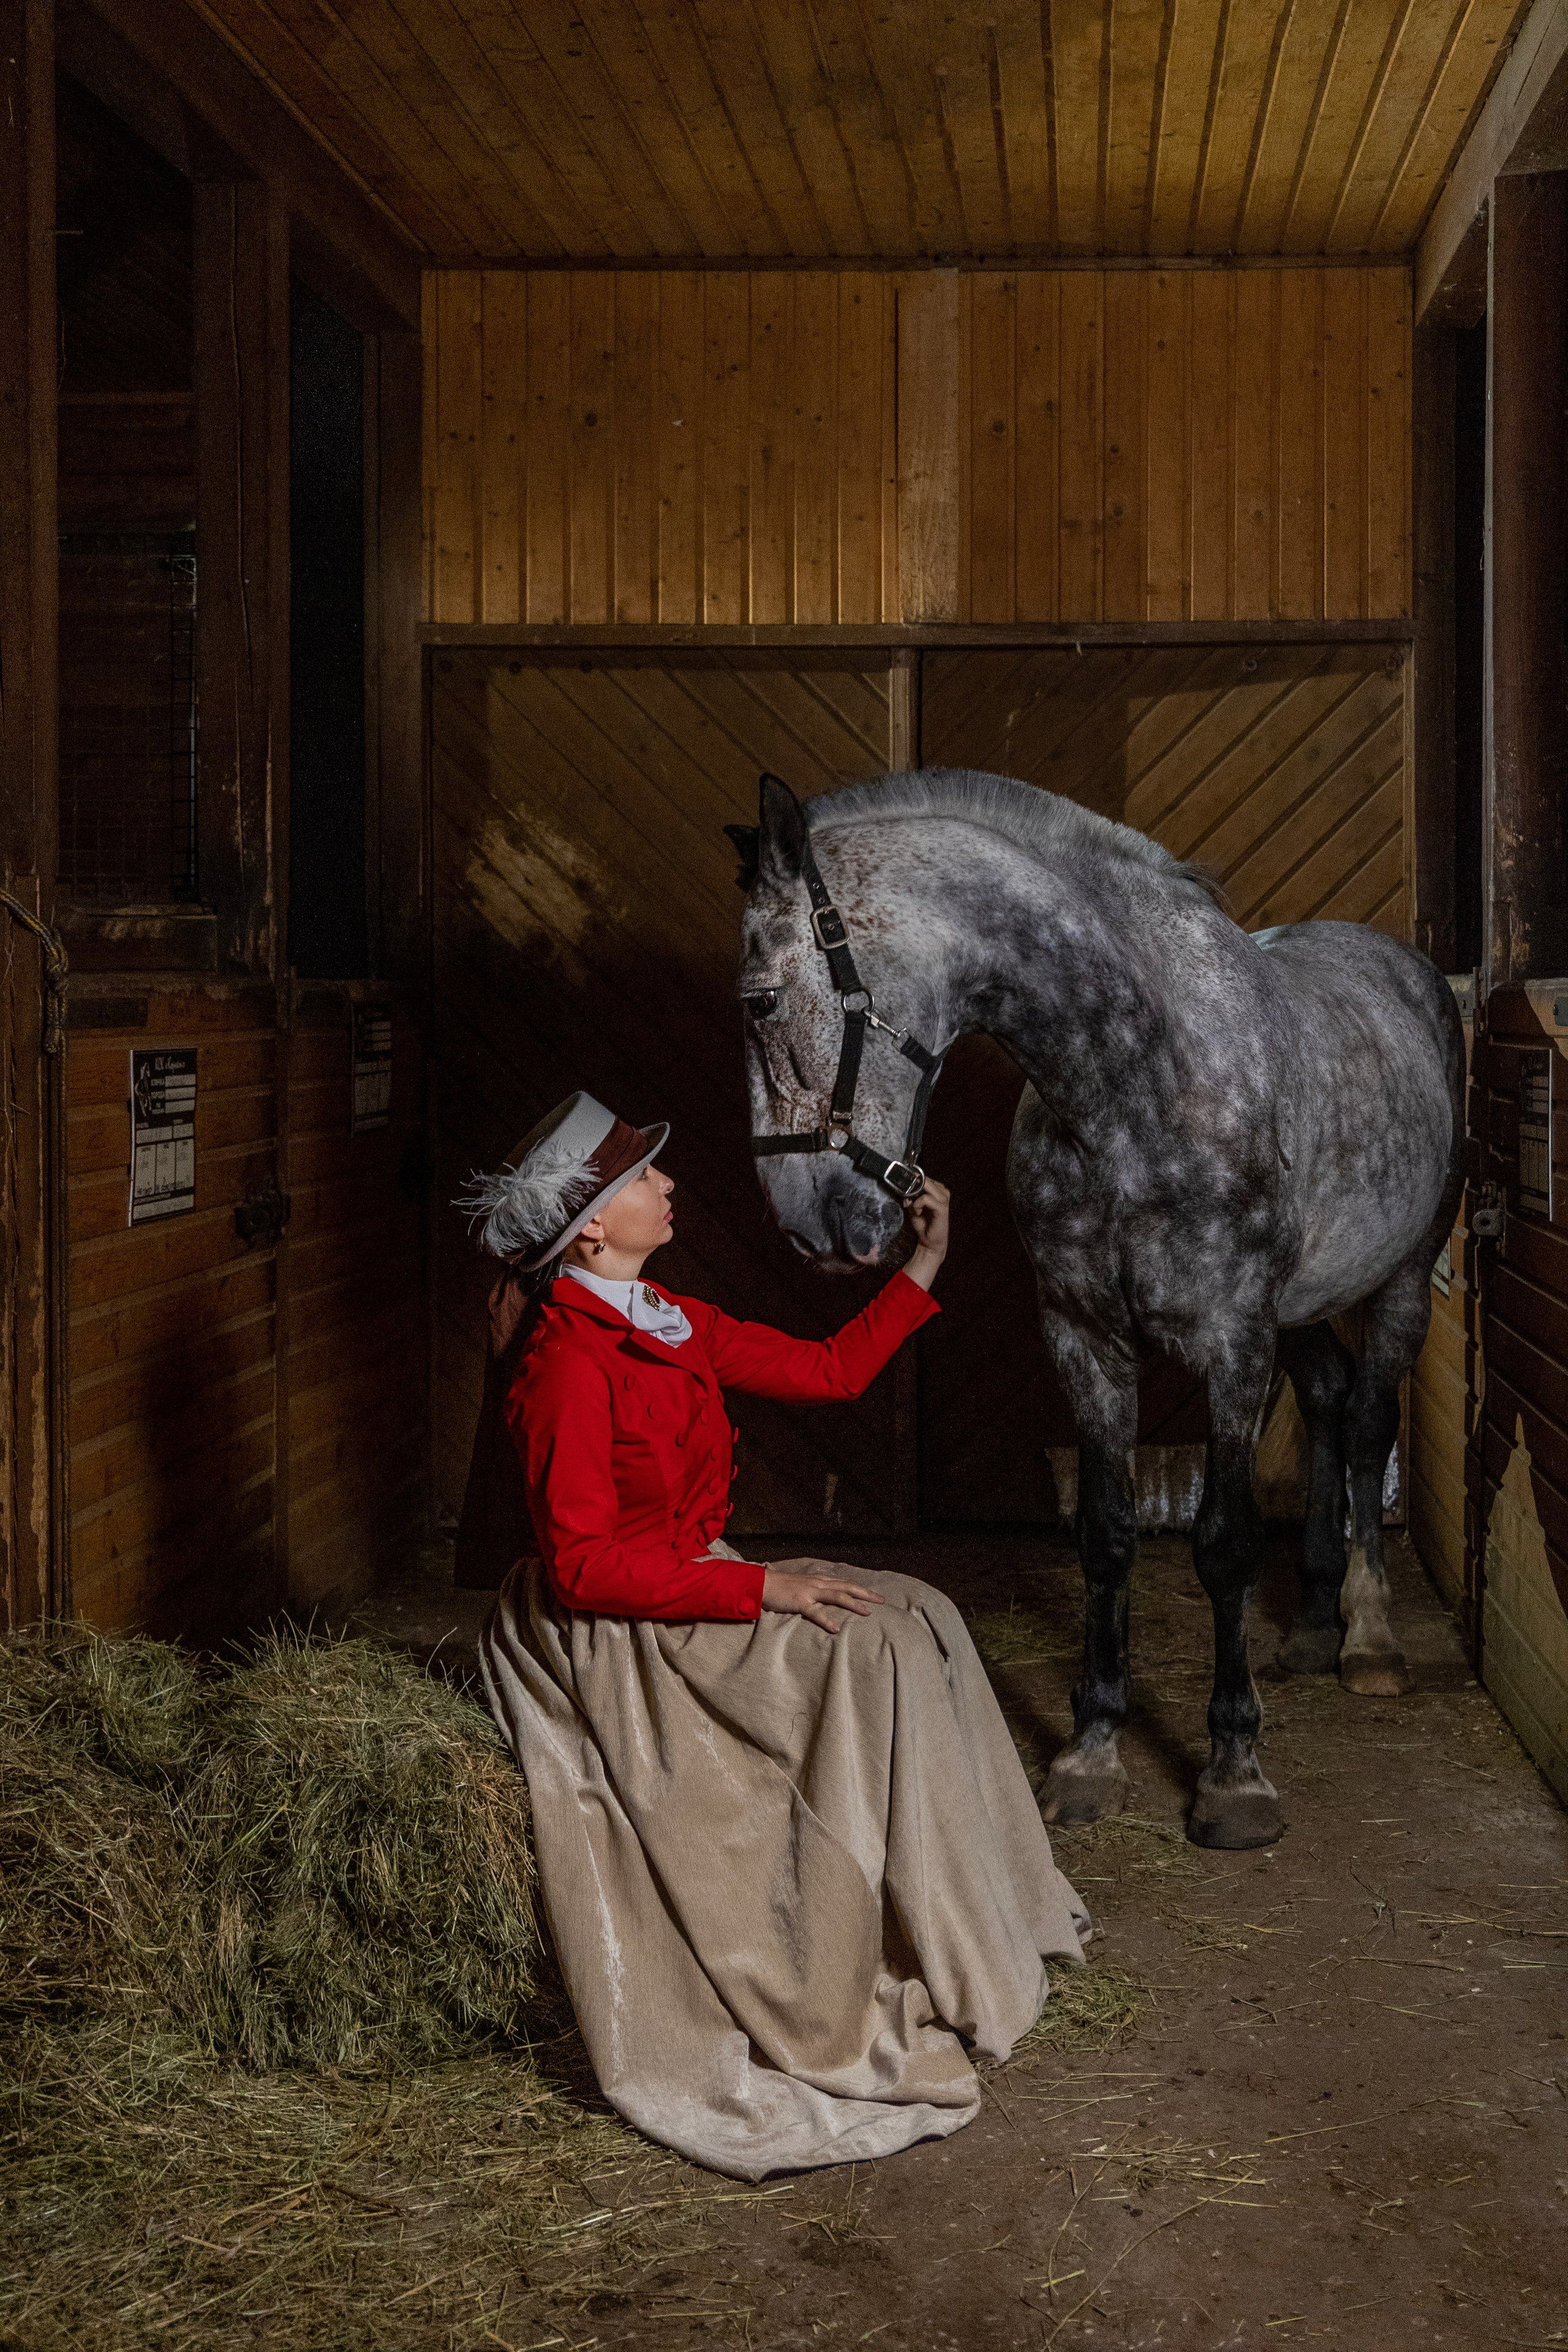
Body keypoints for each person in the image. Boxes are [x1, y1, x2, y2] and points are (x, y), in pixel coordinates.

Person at [458, 1092, 1087, 2182]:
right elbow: (581, 1568)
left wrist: (924, 1266)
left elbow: (828, 1373)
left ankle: (964, 1926)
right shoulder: (568, 1361)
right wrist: (767, 1595)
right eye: (643, 1180)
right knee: (864, 1646)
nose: (668, 1185)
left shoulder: (671, 1317)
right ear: (593, 1229)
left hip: (692, 1576)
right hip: (611, 1625)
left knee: (923, 1615)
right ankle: (834, 1957)